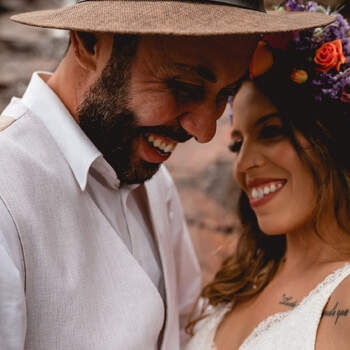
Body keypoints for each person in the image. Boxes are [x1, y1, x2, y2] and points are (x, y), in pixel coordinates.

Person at [0, 0, 332, 349]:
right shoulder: (8, 195)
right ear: (89, 42)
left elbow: (186, 328)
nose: (204, 131)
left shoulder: (152, 180)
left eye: (225, 96)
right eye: (184, 87)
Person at [185, 1, 350, 349]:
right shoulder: (237, 282)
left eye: (271, 131)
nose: (243, 165)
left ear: (332, 139)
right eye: (237, 145)